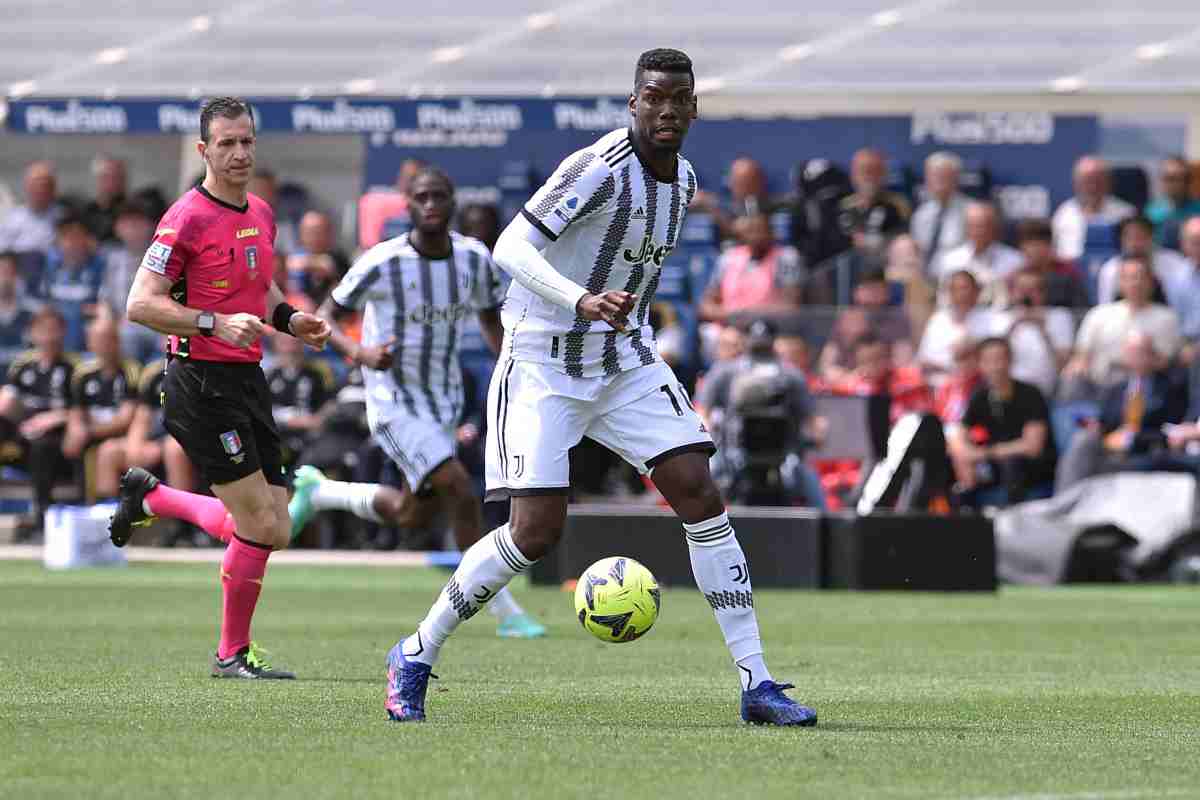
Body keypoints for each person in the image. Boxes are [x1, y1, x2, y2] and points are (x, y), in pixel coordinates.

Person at [384, 49, 816, 726]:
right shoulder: (598, 168)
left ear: (694, 107)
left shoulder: (684, 182)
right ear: (633, 103)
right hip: (542, 365)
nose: (667, 110)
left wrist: (622, 323)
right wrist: (580, 299)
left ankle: (757, 684)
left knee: (701, 494)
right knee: (535, 532)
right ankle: (414, 653)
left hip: (623, 362)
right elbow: (511, 249)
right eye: (654, 98)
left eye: (680, 99)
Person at [107, 96, 332, 679]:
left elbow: (263, 288)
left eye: (246, 141)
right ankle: (231, 654)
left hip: (247, 378)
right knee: (259, 526)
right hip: (199, 382)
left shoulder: (260, 209)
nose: (238, 153)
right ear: (205, 150)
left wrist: (292, 320)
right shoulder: (184, 218)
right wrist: (211, 321)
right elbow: (139, 304)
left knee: (275, 526)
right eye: (226, 143)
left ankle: (153, 498)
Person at [296, 165, 545, 637]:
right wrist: (361, 352)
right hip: (392, 400)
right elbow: (325, 318)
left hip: (443, 402)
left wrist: (517, 369)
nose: (430, 205)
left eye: (439, 196)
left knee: (415, 513)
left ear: (452, 202)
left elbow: (493, 320)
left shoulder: (473, 259)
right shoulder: (382, 261)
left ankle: (323, 492)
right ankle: (503, 608)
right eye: (421, 197)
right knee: (458, 488)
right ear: (407, 206)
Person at [697, 319, 821, 508]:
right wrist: (707, 432)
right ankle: (705, 527)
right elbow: (703, 409)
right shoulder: (726, 371)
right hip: (733, 449)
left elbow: (811, 417)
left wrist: (815, 434)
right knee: (709, 476)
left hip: (783, 451)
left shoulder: (790, 374)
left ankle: (826, 529)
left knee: (806, 478)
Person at [1056, 332, 1188, 491]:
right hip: (1110, 446)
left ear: (1153, 356)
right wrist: (1095, 426)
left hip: (1146, 449)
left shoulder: (1169, 389)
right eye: (1130, 352)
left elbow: (1173, 428)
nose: (1135, 357)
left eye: (1140, 352)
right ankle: (1063, 500)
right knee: (1083, 440)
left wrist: (1134, 437)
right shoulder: (1115, 389)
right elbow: (1104, 422)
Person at [93, 357, 198, 544]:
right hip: (154, 443)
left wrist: (161, 446)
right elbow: (142, 416)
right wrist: (136, 447)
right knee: (109, 451)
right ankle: (106, 523)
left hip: (186, 444)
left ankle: (181, 529)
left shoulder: (200, 371)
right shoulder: (154, 372)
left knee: (173, 450)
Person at [949, 337, 1056, 508]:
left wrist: (986, 453)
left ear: (1010, 360)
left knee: (1011, 464)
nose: (995, 367)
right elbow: (957, 433)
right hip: (996, 467)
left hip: (1030, 470)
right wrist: (963, 455)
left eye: (1000, 359)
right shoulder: (980, 396)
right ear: (980, 364)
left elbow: (1032, 447)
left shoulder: (1030, 394)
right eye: (988, 361)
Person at [0, 305, 77, 539]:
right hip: (22, 437)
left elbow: (80, 411)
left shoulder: (74, 368)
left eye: (54, 331)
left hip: (58, 443)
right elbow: (8, 403)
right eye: (43, 331)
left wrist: (51, 418)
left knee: (43, 444)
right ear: (32, 334)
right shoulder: (22, 366)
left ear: (63, 333)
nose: (48, 337)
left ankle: (42, 516)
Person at [1064, 255, 1180, 392]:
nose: (1135, 283)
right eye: (1129, 278)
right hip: (1099, 385)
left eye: (1140, 277)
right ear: (1120, 282)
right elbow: (1081, 354)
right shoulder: (1099, 314)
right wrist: (1078, 366)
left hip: (1144, 386)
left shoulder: (1166, 317)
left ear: (1151, 282)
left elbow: (1166, 360)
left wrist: (1136, 362)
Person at [62, 316, 141, 494]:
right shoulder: (83, 374)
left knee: (103, 448)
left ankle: (105, 506)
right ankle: (80, 500)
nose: (103, 345)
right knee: (66, 440)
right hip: (90, 431)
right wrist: (75, 430)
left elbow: (126, 419)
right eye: (97, 340)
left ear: (117, 341)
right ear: (89, 343)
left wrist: (88, 432)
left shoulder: (131, 372)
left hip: (120, 434)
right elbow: (76, 411)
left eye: (108, 339)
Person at [698, 211, 806, 324]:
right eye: (750, 231)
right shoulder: (728, 258)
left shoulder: (786, 258)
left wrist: (749, 315)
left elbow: (790, 307)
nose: (756, 236)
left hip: (770, 328)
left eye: (760, 230)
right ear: (743, 234)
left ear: (771, 232)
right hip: (728, 329)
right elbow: (706, 307)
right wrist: (732, 316)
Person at [990, 269, 1074, 400]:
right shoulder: (999, 318)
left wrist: (1044, 330)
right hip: (1007, 391)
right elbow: (991, 362)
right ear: (1012, 292)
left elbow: (1063, 364)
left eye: (1033, 290)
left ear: (1044, 293)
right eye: (1022, 289)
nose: (1026, 295)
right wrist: (1012, 328)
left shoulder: (1059, 317)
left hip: (1046, 393)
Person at [818, 268, 913, 383]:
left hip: (883, 385)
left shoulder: (898, 318)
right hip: (846, 383)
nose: (871, 294)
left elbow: (903, 362)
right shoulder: (846, 317)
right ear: (856, 292)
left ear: (886, 291)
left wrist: (874, 372)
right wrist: (837, 373)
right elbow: (827, 361)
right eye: (866, 288)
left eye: (876, 288)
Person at [264, 330, 336, 475]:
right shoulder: (269, 374)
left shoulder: (319, 372)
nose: (291, 346)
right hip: (280, 436)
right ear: (276, 344)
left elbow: (332, 402)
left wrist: (317, 420)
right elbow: (260, 409)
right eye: (285, 341)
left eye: (295, 340)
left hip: (313, 436)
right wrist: (289, 420)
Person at [100, 199, 162, 364]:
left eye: (137, 223)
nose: (132, 229)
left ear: (150, 226)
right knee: (115, 334)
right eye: (126, 223)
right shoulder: (112, 258)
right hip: (124, 324)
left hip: (159, 326)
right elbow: (105, 300)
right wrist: (108, 323)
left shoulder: (163, 255)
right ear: (117, 228)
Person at [37, 213, 107, 353]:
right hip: (58, 324)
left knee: (74, 316)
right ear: (59, 242)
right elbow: (45, 303)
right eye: (67, 238)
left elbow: (103, 302)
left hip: (85, 324)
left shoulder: (99, 266)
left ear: (88, 240)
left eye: (77, 237)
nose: (72, 243)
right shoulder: (52, 267)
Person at [917, 270, 998, 386]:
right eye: (954, 289)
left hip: (978, 386)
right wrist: (954, 361)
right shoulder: (938, 319)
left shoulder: (991, 319)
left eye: (964, 288)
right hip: (940, 386)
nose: (960, 293)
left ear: (976, 291)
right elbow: (924, 360)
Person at [931, 201, 1022, 299]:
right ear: (966, 228)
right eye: (974, 226)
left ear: (995, 227)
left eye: (984, 225)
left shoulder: (1015, 261)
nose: (979, 231)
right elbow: (943, 298)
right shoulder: (951, 260)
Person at [1052, 156, 1134, 261]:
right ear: (1076, 183)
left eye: (1097, 180)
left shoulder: (1126, 213)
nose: (1092, 187)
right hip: (1071, 272)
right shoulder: (1063, 213)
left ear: (1108, 182)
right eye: (1087, 181)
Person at [1095, 216, 1190, 306]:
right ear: (1121, 240)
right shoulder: (1110, 269)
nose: (1135, 243)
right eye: (1130, 237)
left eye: (1141, 236)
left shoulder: (1174, 262)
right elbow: (1105, 306)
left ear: (1152, 237)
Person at [834, 148, 910, 257]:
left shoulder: (897, 206)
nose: (868, 177)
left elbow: (902, 242)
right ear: (853, 175)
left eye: (874, 171)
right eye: (863, 171)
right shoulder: (843, 207)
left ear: (884, 174)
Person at [1011, 218, 1089, 308]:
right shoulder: (1015, 277)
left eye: (1038, 244)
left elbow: (1081, 310)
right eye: (1029, 244)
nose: (1034, 250)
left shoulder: (1068, 274)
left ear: (1050, 245)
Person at [910, 151, 969, 270]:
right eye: (933, 175)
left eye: (943, 176)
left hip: (959, 275)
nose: (938, 181)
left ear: (956, 178)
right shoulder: (921, 214)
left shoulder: (970, 212)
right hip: (925, 277)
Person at [0, 161, 60, 263]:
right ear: (26, 187)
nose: (40, 190)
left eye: (45, 185)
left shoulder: (63, 216)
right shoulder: (13, 219)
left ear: (53, 188)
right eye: (35, 184)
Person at [287, 210, 349, 305]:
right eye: (309, 232)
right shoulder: (293, 255)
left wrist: (306, 264)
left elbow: (327, 265)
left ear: (330, 234)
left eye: (318, 232)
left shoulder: (339, 258)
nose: (314, 237)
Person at [1146, 156, 1200, 250]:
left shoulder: (1197, 210)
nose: (1172, 184)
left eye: (1178, 178)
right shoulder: (1151, 212)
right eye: (1168, 178)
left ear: (1188, 181)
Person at [0, 252, 35, 373]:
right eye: (1, 272)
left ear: (18, 276)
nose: (4, 278)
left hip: (24, 384)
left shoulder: (33, 313)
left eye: (8, 272)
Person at [83, 155, 128, 243]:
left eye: (117, 177)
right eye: (107, 177)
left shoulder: (132, 211)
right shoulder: (87, 211)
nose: (112, 182)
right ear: (98, 179)